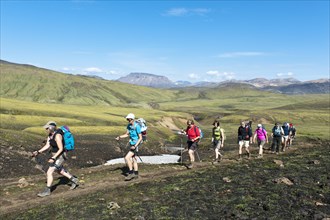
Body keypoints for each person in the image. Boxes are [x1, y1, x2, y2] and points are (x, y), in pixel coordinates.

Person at [32, 121, 79, 197]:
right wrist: (38, 152)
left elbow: (60, 149)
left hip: (60, 156)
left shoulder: (57, 136)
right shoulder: (50, 135)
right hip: (55, 156)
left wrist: (53, 158)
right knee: (60, 171)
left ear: (51, 127)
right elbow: (47, 145)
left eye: (47, 128)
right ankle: (74, 179)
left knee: (49, 172)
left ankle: (47, 190)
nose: (46, 129)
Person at [115, 113, 143, 181]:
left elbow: (140, 138)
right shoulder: (129, 126)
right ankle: (136, 174)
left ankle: (131, 173)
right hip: (132, 143)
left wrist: (135, 146)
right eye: (127, 119)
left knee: (127, 158)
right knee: (133, 159)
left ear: (132, 119)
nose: (128, 120)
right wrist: (120, 137)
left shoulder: (137, 126)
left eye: (129, 119)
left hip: (136, 144)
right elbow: (127, 134)